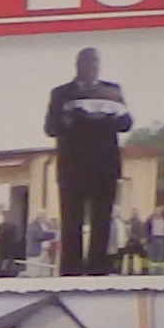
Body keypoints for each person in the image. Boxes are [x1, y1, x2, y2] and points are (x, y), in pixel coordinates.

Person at [45, 49, 136, 279]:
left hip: (105, 165)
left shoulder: (112, 91)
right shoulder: (62, 93)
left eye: (94, 62)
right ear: (77, 65)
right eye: (86, 62)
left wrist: (105, 119)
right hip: (73, 165)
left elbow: (126, 123)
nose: (90, 67)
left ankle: (98, 270)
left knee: (102, 219)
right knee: (72, 219)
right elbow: (51, 127)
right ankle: (71, 271)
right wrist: (75, 120)